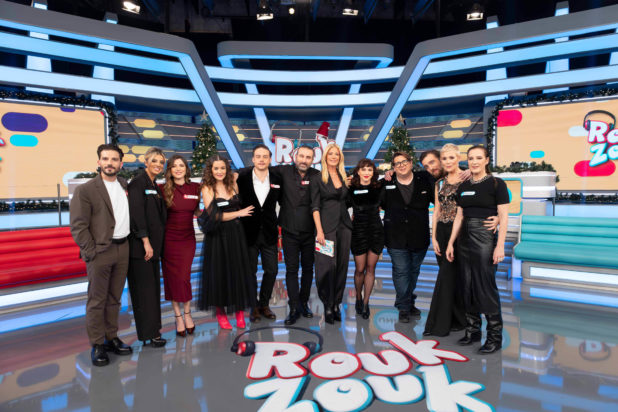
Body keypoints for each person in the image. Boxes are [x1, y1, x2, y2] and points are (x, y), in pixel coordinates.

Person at [70, 144, 133, 366]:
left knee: (115, 298)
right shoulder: (86, 190)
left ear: (120, 164)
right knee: (97, 300)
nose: (109, 163)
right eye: (105, 159)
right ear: (99, 162)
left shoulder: (124, 185)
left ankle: (111, 337)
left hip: (123, 248)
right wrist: (91, 251)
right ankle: (97, 344)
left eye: (114, 159)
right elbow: (78, 226)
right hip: (100, 251)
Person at [446, 145, 509, 354]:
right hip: (463, 238)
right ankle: (473, 331)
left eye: (479, 158)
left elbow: (504, 216)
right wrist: (450, 242)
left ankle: (494, 337)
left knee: (485, 286)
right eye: (471, 158)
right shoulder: (463, 186)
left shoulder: (496, 184)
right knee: (467, 285)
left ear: (487, 160)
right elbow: (459, 216)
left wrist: (500, 245)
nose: (474, 162)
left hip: (484, 237)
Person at [198, 155, 255, 330]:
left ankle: (239, 312)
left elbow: (248, 170)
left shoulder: (233, 184)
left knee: (237, 272)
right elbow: (214, 216)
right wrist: (239, 213)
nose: (219, 171)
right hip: (217, 236)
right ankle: (221, 313)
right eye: (216, 168)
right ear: (210, 170)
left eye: (222, 168)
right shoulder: (207, 188)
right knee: (219, 274)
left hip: (236, 235)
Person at [380, 151, 434, 323]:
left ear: (411, 163)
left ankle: (407, 301)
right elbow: (376, 204)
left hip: (419, 236)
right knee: (401, 271)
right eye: (397, 163)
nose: (401, 165)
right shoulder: (386, 183)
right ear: (393, 167)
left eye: (404, 161)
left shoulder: (424, 179)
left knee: (413, 271)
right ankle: (404, 307)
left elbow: (443, 176)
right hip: (395, 237)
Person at [270, 145, 320, 325]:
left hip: (310, 231)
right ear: (295, 156)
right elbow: (260, 167)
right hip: (289, 230)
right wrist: (237, 174)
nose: (304, 160)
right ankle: (293, 307)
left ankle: (303, 303)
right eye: (302, 156)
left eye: (308, 157)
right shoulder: (283, 171)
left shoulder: (317, 175)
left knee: (308, 269)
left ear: (313, 160)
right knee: (291, 270)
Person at [423, 144, 467, 337]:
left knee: (450, 277)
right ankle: (458, 320)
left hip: (461, 232)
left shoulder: (468, 179)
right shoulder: (439, 183)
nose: (448, 162)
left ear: (458, 158)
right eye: (444, 159)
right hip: (442, 231)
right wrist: (433, 236)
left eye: (451, 158)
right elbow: (436, 211)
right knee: (449, 276)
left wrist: (497, 218)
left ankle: (439, 324)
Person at [127, 147, 167, 347]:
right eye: (154, 161)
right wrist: (145, 241)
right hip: (141, 248)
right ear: (146, 162)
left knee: (152, 292)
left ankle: (153, 332)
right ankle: (149, 334)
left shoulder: (154, 185)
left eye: (161, 162)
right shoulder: (137, 183)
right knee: (144, 293)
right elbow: (136, 214)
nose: (158, 165)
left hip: (154, 248)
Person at [236, 145, 281, 323]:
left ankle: (264, 304)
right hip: (248, 232)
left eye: (265, 156)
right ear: (253, 159)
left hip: (269, 231)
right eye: (258, 156)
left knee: (272, 270)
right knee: (250, 272)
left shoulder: (277, 178)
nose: (261, 159)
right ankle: (253, 306)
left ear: (270, 159)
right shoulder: (242, 177)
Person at [311, 143, 352, 324]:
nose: (334, 157)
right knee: (326, 267)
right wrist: (319, 230)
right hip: (326, 229)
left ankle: (336, 303)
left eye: (337, 154)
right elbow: (315, 207)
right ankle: (327, 303)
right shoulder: (318, 178)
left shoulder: (343, 177)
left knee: (342, 266)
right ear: (325, 157)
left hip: (344, 227)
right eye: (331, 154)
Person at [160, 155, 200, 337]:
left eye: (181, 165)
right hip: (169, 240)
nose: (178, 169)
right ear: (169, 170)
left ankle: (188, 313)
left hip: (187, 240)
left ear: (186, 168)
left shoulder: (196, 187)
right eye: (174, 166)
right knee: (172, 278)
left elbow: (199, 211)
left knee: (184, 277)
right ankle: (178, 316)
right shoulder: (162, 189)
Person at [348, 158, 384, 320]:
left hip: (376, 232)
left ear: (373, 172)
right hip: (358, 232)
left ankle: (366, 302)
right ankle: (358, 296)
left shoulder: (379, 187)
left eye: (370, 169)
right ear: (358, 171)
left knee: (371, 269)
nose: (367, 173)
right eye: (364, 169)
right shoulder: (351, 188)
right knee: (359, 269)